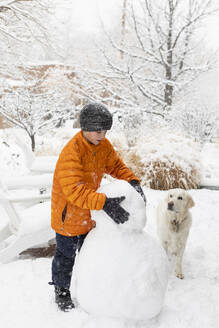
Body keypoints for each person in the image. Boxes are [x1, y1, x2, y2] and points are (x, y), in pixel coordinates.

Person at [49, 102, 146, 311]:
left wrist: (133, 181)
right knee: (65, 256)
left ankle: (88, 289)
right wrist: (104, 203)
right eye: (98, 130)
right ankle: (61, 290)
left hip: (87, 212)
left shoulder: (103, 146)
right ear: (85, 128)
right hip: (68, 216)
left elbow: (116, 166)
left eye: (105, 130)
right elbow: (73, 190)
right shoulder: (72, 152)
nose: (102, 135)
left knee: (87, 256)